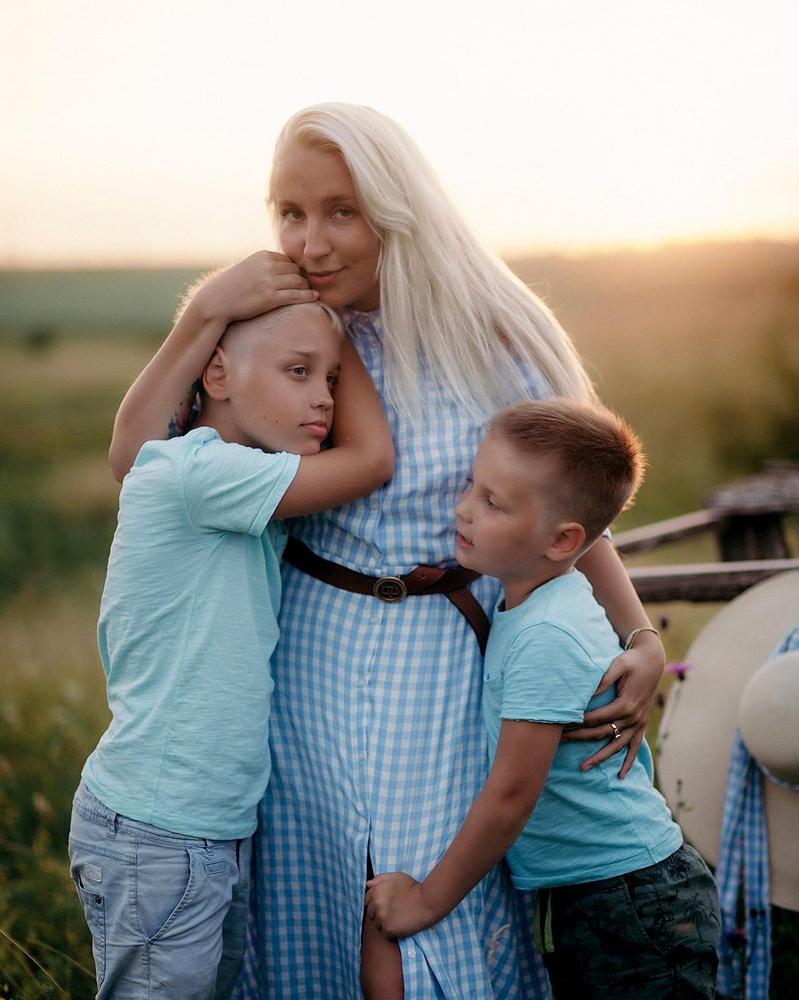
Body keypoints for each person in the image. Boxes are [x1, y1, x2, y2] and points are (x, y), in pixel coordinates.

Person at [108, 103, 667, 1000]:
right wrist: (205, 310)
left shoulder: (493, 335)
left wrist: (637, 636)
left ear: (397, 213)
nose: (312, 241)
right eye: (290, 213)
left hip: (443, 661)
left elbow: (566, 513)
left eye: (341, 211)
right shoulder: (276, 334)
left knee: (417, 917)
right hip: (302, 656)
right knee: (309, 899)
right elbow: (143, 463)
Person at [68, 298, 394, 999]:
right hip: (162, 832)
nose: (322, 398)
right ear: (217, 375)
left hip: (202, 825)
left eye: (332, 379)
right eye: (299, 371)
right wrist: (349, 322)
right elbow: (371, 461)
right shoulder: (202, 475)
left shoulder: (233, 472)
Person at [364, 398, 721, 999]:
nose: (463, 510)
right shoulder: (534, 600)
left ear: (562, 540)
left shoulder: (544, 636)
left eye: (492, 503)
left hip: (629, 900)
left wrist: (425, 901)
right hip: (604, 890)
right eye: (472, 488)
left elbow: (510, 795)